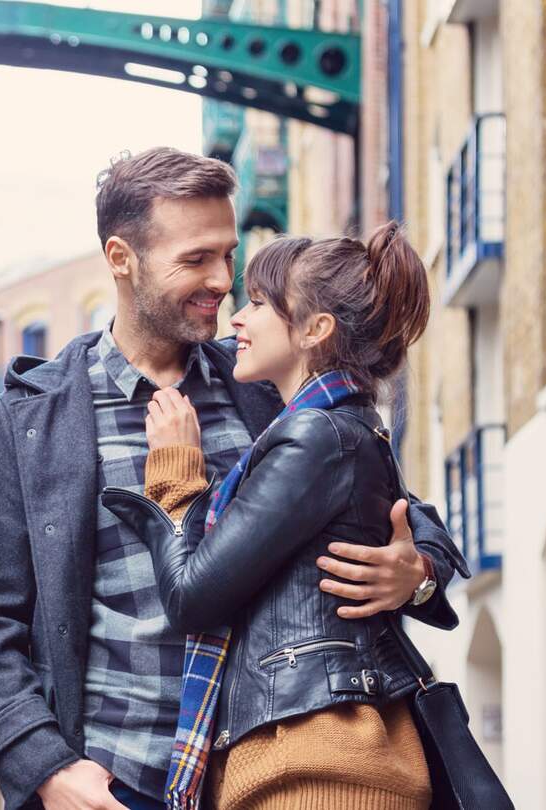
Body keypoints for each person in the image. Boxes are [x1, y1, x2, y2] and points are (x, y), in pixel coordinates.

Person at [0, 147, 468, 810]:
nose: (222, 279)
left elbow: (388, 496)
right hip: (112, 782)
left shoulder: (264, 385)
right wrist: (47, 768)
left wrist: (415, 572)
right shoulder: (34, 418)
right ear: (121, 259)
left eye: (228, 254)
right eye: (196, 259)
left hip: (255, 775)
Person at [103, 225, 446, 810]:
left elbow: (192, 597)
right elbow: (409, 512)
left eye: (260, 302)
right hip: (316, 753)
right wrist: (422, 571)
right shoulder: (335, 421)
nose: (237, 315)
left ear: (315, 330)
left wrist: (175, 475)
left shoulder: (317, 434)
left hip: (316, 765)